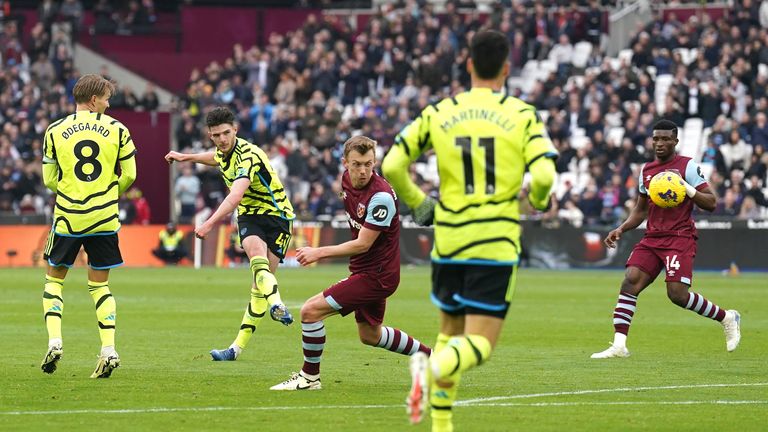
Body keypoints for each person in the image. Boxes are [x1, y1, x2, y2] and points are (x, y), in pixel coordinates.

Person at [381, 30, 558, 431]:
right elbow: (545, 174)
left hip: (448, 238)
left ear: (469, 65)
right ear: (507, 69)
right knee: (479, 344)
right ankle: (427, 372)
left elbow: (392, 165)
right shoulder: (522, 114)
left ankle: (442, 426)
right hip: (493, 242)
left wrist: (421, 204)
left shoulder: (440, 111)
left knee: (450, 331)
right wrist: (541, 201)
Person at [270, 136, 432, 391]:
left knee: (310, 311)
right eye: (357, 164)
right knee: (371, 335)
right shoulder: (346, 181)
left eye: (368, 164)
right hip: (368, 270)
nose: (363, 170)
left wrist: (318, 252)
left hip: (376, 276)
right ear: (345, 163)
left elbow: (363, 244)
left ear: (375, 161)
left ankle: (309, 378)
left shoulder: (381, 197)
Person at [591, 119, 741, 359]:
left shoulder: (687, 167)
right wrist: (621, 229)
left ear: (675, 141)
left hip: (680, 236)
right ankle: (619, 345)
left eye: (665, 139)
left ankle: (727, 317)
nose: (659, 143)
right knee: (630, 281)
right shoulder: (647, 171)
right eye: (656, 139)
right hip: (652, 237)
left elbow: (711, 202)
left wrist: (687, 188)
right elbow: (641, 210)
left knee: (677, 295)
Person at [164, 106, 295, 361]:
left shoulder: (249, 155)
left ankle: (236, 348)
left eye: (226, 133)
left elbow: (235, 195)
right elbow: (215, 158)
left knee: (259, 287)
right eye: (216, 135)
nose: (222, 139)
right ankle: (277, 304)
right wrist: (186, 157)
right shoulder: (223, 150)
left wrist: (209, 223)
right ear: (210, 135)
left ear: (235, 129)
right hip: (250, 215)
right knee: (256, 257)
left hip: (278, 217)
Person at [40, 74, 137, 378]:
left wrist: (71, 191)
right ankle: (108, 349)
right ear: (94, 100)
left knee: (54, 281)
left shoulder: (54, 130)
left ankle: (55, 341)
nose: (109, 104)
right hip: (104, 217)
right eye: (107, 98)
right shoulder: (119, 130)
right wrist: (109, 192)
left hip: (68, 217)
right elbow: (130, 175)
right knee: (99, 286)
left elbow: (48, 180)